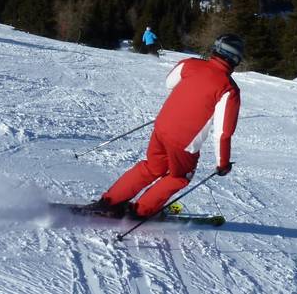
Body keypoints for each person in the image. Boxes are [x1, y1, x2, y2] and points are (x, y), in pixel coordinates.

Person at [92, 34, 244, 218]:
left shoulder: (190, 64)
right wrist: (223, 164)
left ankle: (109, 201)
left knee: (152, 167)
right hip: (184, 142)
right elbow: (223, 132)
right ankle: (140, 211)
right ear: (235, 59)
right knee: (179, 177)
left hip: (162, 127)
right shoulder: (229, 89)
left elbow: (169, 82)